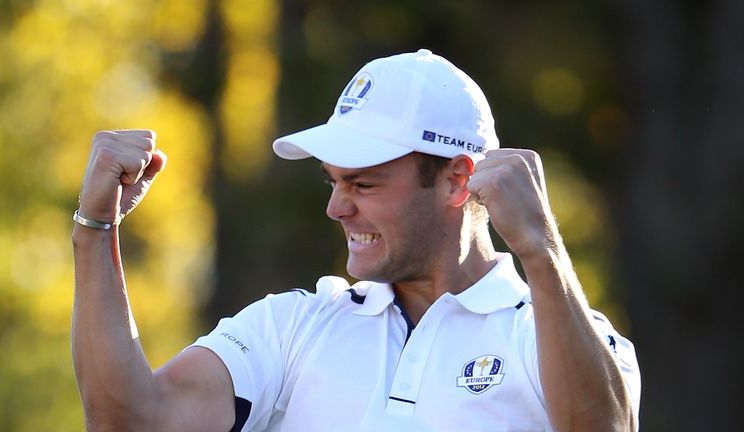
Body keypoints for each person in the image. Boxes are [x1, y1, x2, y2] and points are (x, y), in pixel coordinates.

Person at [72, 49, 640, 431]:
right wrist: (95, 232)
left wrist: (542, 251)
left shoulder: (557, 335)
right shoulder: (292, 325)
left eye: (363, 183)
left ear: (458, 180)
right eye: (334, 181)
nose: (336, 207)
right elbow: (131, 421)